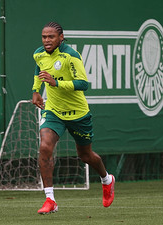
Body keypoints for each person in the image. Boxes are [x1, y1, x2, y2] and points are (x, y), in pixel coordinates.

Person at [31, 22, 115, 214]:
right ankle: (50, 200)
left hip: (78, 113)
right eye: (44, 37)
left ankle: (107, 180)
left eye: (51, 37)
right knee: (44, 147)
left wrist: (56, 83)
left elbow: (83, 84)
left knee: (85, 155)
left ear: (61, 37)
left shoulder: (71, 56)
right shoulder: (39, 53)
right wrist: (36, 91)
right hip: (53, 111)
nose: (46, 40)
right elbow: (39, 69)